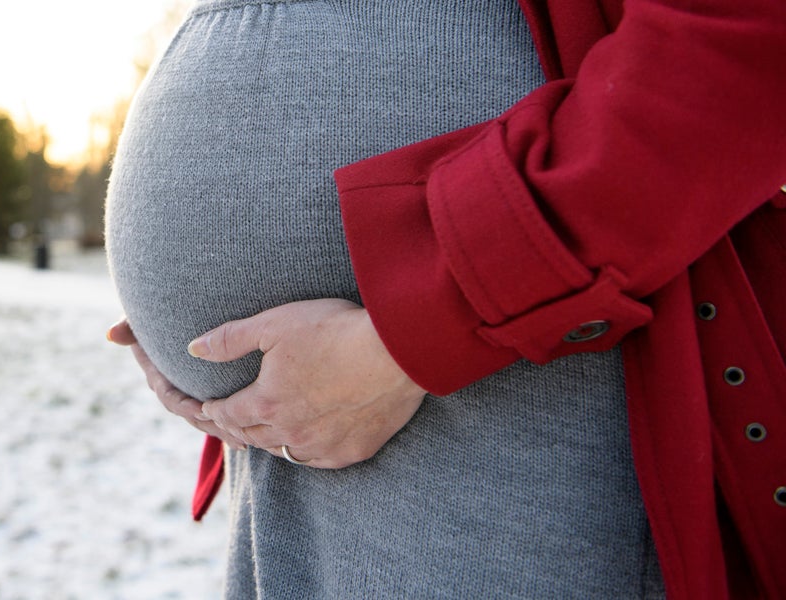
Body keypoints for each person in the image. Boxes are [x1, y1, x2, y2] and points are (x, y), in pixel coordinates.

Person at [105, 0, 786, 597]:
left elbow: (741, 45)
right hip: (307, 421)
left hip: (517, 367)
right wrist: (191, 290)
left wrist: (417, 329)